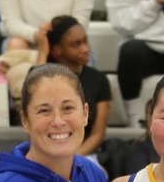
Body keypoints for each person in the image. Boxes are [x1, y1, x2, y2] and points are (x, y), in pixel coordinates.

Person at [40, 15, 112, 154]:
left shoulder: (99, 79)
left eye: (85, 41)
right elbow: (35, 88)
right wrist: (43, 51)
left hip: (84, 156)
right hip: (45, 155)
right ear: (58, 49)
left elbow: (97, 134)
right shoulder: (47, 78)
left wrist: (71, 159)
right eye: (76, 44)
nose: (85, 49)